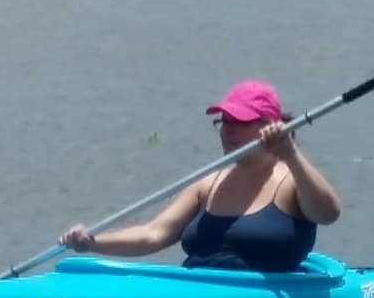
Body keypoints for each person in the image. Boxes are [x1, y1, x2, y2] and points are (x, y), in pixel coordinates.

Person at [57, 79, 342, 272]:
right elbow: (153, 235)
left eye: (238, 123)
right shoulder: (208, 184)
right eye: (223, 122)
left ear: (268, 126)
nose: (226, 131)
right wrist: (91, 242)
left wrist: (289, 153)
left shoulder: (292, 180)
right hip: (198, 291)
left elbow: (328, 214)